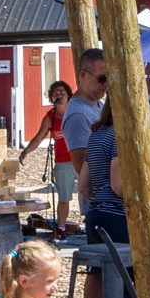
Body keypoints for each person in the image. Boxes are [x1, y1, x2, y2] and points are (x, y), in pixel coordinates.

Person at [77, 99, 138, 298]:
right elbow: (118, 184)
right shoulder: (119, 136)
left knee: (103, 276)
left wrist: (99, 202)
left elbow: (83, 185)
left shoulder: (96, 135)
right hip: (116, 216)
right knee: (132, 278)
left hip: (95, 215)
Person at [19, 80, 78, 237]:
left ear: (69, 95)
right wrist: (26, 151)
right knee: (64, 197)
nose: (58, 94)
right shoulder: (50, 117)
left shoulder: (76, 110)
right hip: (63, 162)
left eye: (62, 92)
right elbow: (39, 138)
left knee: (89, 193)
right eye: (55, 92)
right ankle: (61, 229)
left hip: (81, 159)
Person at [59, 46, 107, 196]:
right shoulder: (78, 116)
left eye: (109, 78)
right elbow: (83, 167)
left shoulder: (100, 105)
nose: (106, 84)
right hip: (101, 202)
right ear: (82, 75)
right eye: (101, 79)